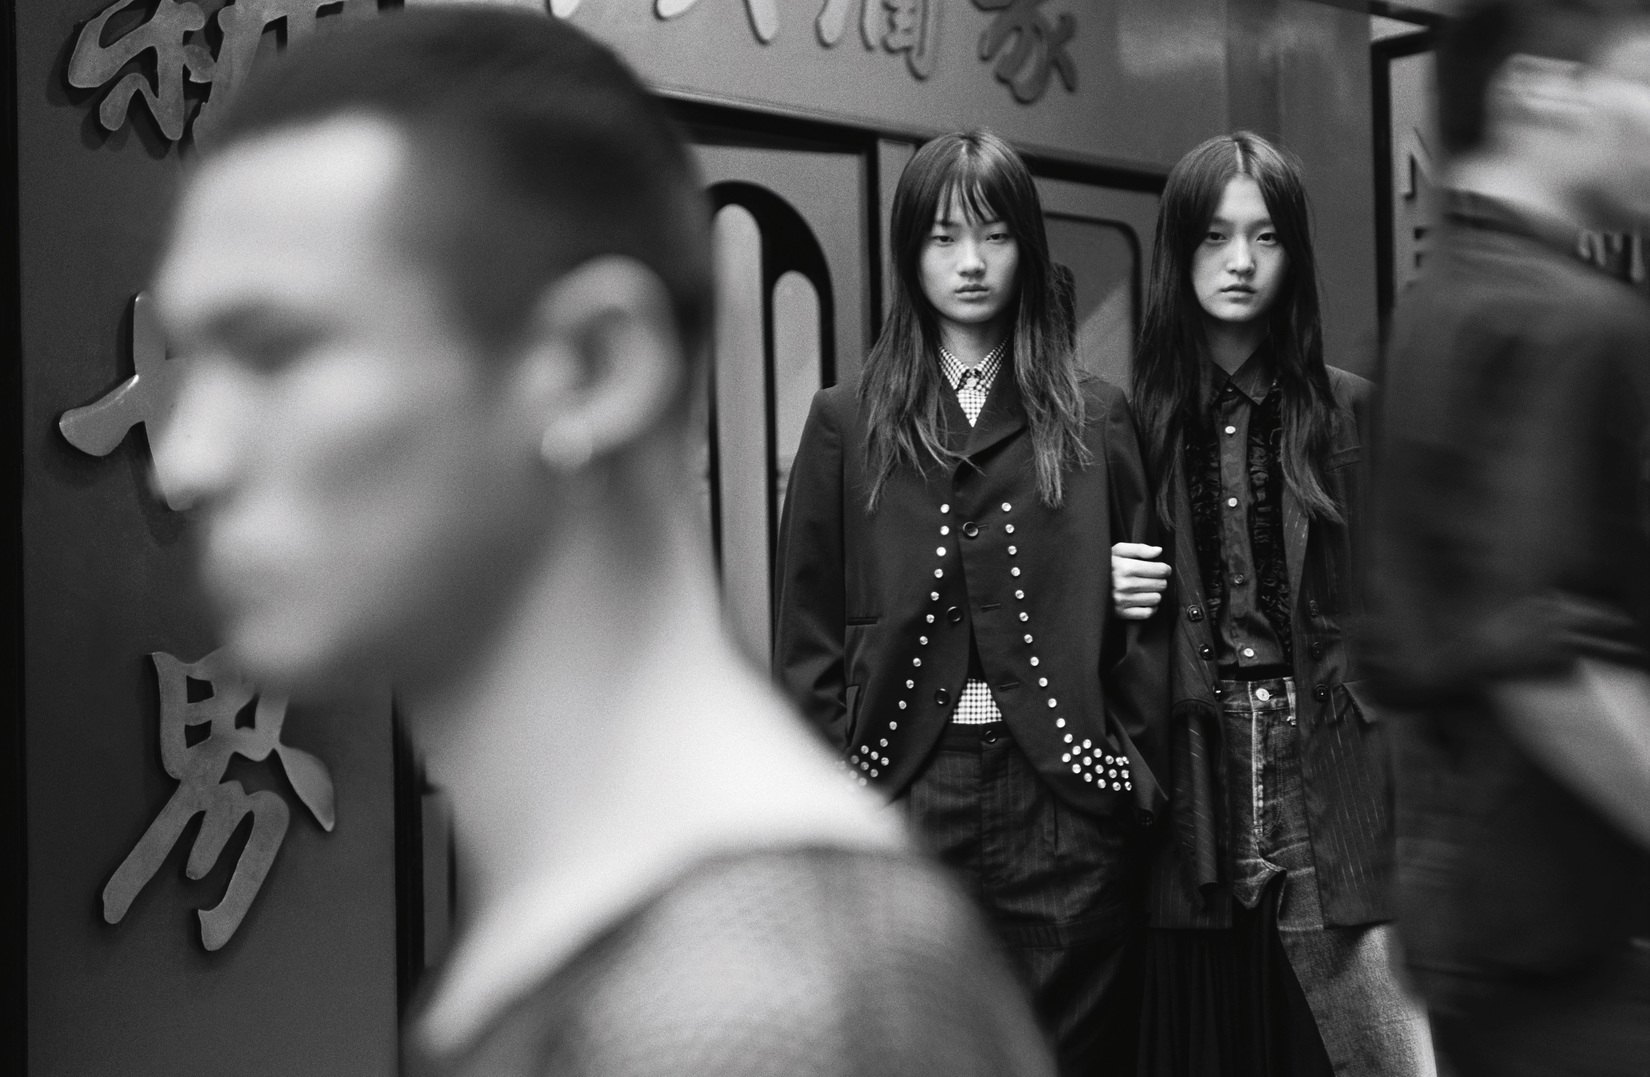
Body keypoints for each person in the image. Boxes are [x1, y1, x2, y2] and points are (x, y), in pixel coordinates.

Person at [147, 8, 1058, 1077]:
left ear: (593, 366)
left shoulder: (752, 1017)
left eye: (275, 351)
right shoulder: (684, 948)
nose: (185, 459)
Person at [773, 129, 1167, 1077]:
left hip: (1064, 794)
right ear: (910, 253)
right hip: (904, 788)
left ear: (1027, 246)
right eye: (944, 238)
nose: (972, 262)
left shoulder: (1094, 414)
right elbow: (805, 639)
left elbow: (1148, 623)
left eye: (994, 235)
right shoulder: (846, 421)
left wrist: (1127, 772)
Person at [1110, 132, 1433, 1077]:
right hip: (1193, 757)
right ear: (1179, 252)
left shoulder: (1351, 415)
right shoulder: (1129, 427)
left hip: (1329, 753)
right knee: (1212, 1039)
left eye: (1265, 236)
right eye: (1215, 237)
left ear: (1293, 253)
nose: (1241, 261)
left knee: (1387, 1042)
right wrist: (1110, 591)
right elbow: (1085, 626)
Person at [1366, 2, 1650, 1073]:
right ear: (1540, 92)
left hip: (1469, 935)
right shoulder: (1577, 321)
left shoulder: (1431, 310)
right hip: (1581, 940)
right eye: (1642, 81)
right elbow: (1546, 657)